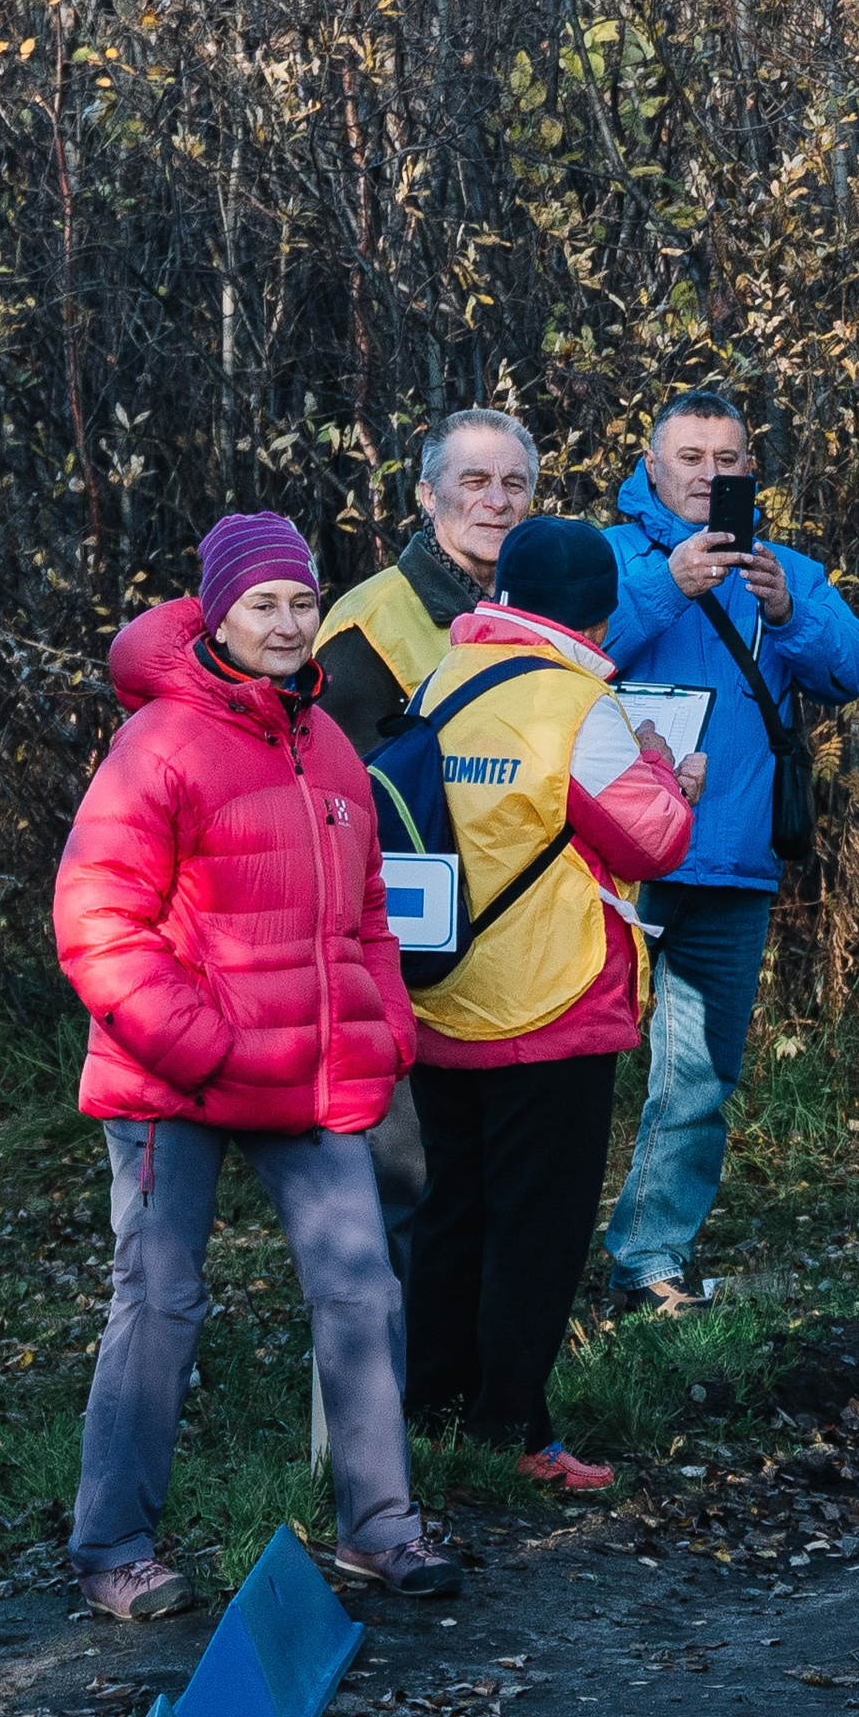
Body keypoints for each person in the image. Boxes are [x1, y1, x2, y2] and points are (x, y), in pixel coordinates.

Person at [54, 512, 462, 1619]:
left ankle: (379, 1528)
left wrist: (385, 1028)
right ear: (218, 616)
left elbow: (369, 911)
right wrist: (206, 1044)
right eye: (262, 604)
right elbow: (96, 919)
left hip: (308, 1075)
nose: (286, 623)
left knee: (362, 1287)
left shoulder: (326, 742)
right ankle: (112, 1548)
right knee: (160, 1301)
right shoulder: (160, 742)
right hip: (176, 1078)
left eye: (300, 601)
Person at [403, 514, 704, 1489]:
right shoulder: (579, 705)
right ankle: (515, 1432)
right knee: (536, 1228)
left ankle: (431, 1412)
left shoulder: (443, 678)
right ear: (601, 614)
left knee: (453, 1214)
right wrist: (669, 772)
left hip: (442, 994)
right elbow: (654, 840)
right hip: (551, 1001)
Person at [597, 389, 859, 1314]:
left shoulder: (781, 567)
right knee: (569, 1073)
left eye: (728, 459)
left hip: (729, 861)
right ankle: (539, 1255)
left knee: (700, 1076)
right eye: (691, 457)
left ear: (750, 468)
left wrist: (791, 611)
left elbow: (851, 670)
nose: (709, 475)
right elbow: (561, 653)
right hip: (608, 863)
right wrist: (664, 587)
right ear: (651, 464)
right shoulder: (609, 556)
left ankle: (649, 1261)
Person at [312, 409, 541, 1280]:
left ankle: (464, 1342)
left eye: (513, 483)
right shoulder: (369, 624)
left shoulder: (535, 609)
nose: (496, 502)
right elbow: (338, 803)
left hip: (510, 937)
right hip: (409, 945)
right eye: (473, 482)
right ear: (426, 495)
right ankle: (382, 1350)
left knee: (488, 1171)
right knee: (409, 1174)